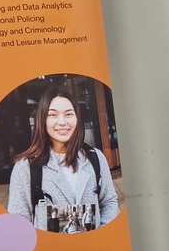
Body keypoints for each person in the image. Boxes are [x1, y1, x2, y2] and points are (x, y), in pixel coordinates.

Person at [7, 84, 119, 231]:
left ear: (77, 118)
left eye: (68, 114)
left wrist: (101, 236)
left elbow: (109, 202)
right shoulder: (25, 168)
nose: (62, 122)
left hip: (95, 250)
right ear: (42, 120)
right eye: (53, 114)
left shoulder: (96, 158)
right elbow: (18, 222)